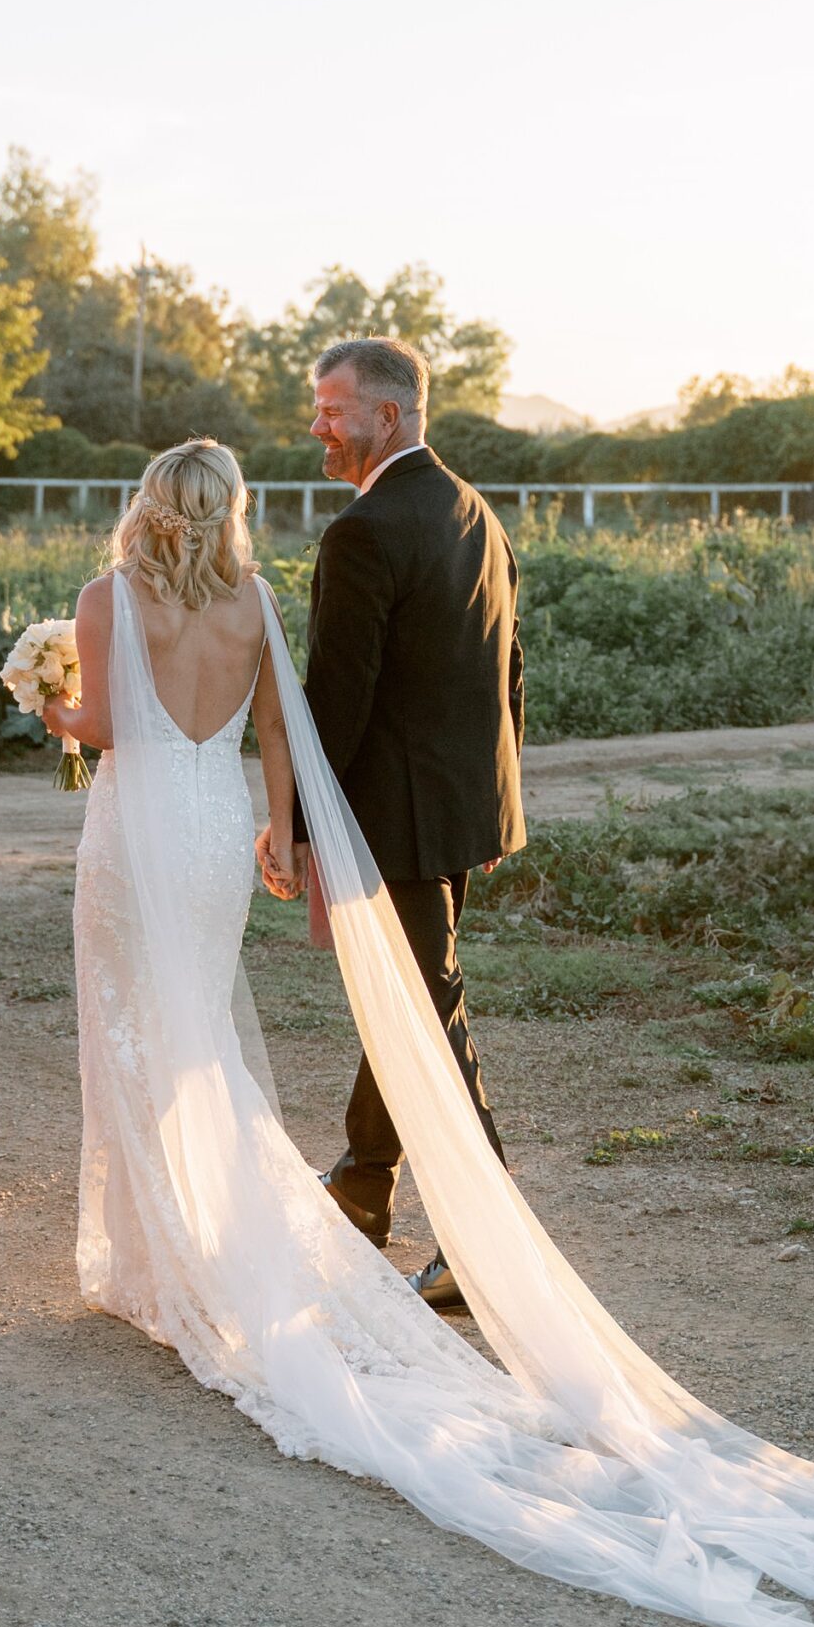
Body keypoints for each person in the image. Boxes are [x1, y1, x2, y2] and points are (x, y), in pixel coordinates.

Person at [42, 433, 814, 1627]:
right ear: (230, 513)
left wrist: (40, 698)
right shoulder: (251, 604)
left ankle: (155, 1255)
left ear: (147, 507)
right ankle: (202, 1239)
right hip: (206, 828)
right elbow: (285, 737)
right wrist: (282, 837)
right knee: (197, 1046)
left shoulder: (100, 599)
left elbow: (100, 721)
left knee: (136, 1035)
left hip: (135, 833)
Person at [264, 335, 523, 1311]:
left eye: (332, 408)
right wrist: (491, 806)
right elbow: (507, 666)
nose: (319, 426)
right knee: (409, 999)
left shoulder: (363, 530)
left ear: (390, 414)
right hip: (454, 809)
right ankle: (364, 1187)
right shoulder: (473, 508)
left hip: (395, 818)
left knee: (425, 1008)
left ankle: (483, 1243)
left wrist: (292, 819)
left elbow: (336, 695)